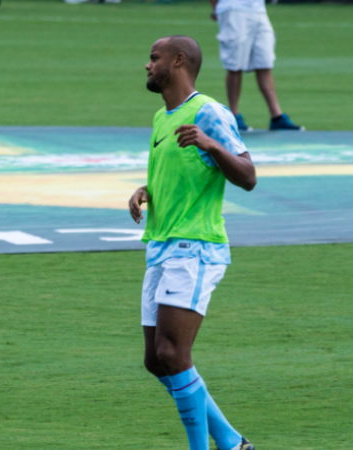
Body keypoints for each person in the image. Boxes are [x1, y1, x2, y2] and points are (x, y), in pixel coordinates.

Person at [129, 35, 256, 450]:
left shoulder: (209, 113)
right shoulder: (161, 117)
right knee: (156, 360)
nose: (147, 65)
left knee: (172, 352)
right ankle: (231, 441)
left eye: (154, 58)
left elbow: (248, 176)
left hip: (195, 247)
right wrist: (147, 190)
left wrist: (212, 143)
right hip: (162, 246)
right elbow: (183, 172)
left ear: (179, 61)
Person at [210, 0, 303, 131]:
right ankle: (234, 116)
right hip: (233, 8)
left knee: (264, 63)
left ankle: (276, 117)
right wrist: (216, 8)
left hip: (259, 9)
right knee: (235, 65)